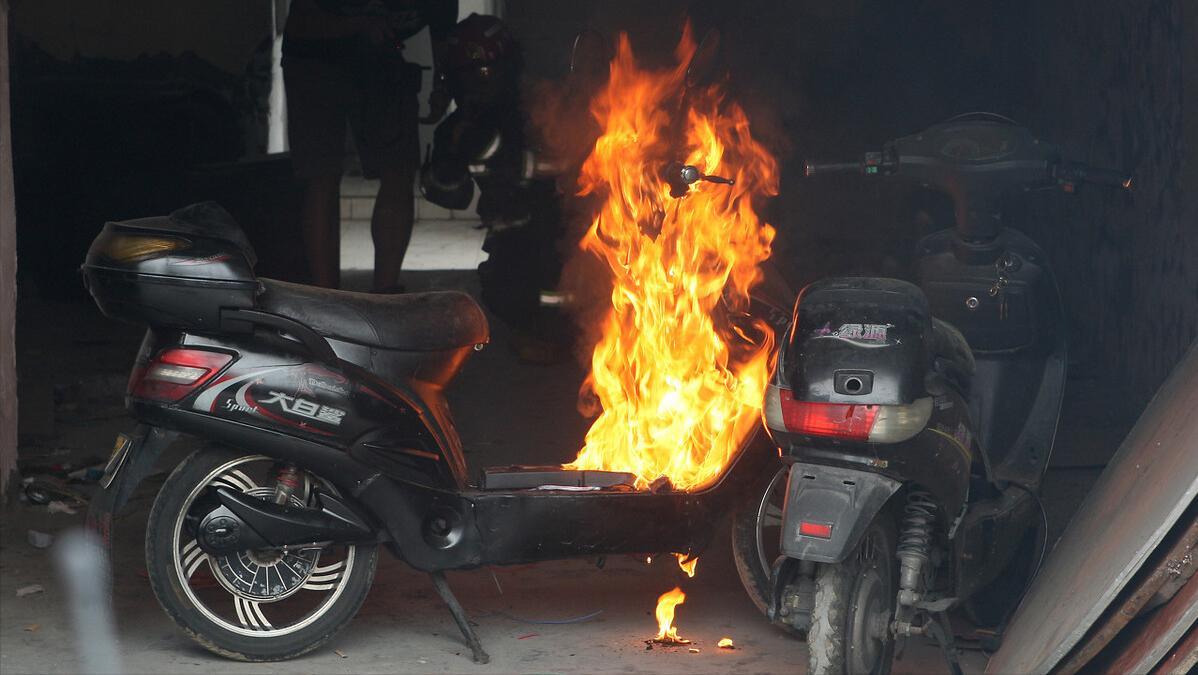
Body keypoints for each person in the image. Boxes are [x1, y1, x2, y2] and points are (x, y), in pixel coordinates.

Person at [283, 0, 458, 291]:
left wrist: (442, 87)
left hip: (380, 57)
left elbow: (441, 35)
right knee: (321, 174)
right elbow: (304, 20)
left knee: (400, 166)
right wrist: (359, 24)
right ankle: (324, 295)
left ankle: (385, 293)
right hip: (314, 56)